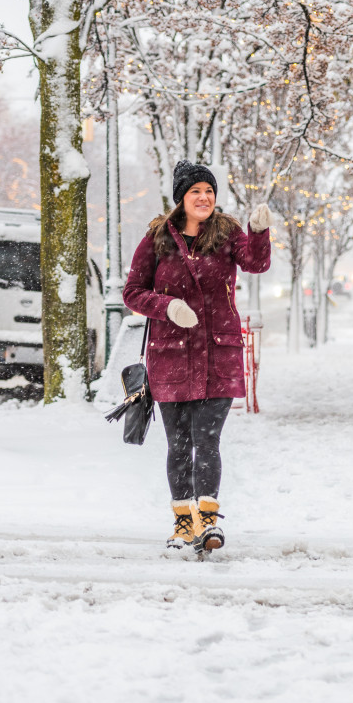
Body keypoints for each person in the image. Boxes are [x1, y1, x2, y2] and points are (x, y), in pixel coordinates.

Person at [123, 160, 272, 552]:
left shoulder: (227, 234)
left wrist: (258, 233)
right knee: (178, 444)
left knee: (207, 441)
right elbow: (133, 292)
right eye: (195, 192)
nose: (204, 198)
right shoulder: (158, 239)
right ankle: (182, 524)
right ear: (181, 199)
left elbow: (256, 263)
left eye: (209, 191)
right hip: (170, 356)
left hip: (217, 354)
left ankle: (207, 523)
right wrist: (168, 307)